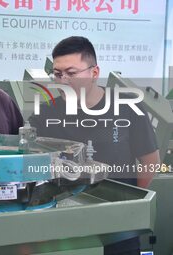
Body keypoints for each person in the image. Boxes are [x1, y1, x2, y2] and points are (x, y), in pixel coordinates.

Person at [28, 36, 160, 255]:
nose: (62, 81)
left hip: (119, 226)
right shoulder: (44, 114)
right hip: (63, 225)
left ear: (94, 73)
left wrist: (127, 199)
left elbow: (150, 161)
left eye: (71, 73)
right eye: (57, 74)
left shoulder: (128, 108)